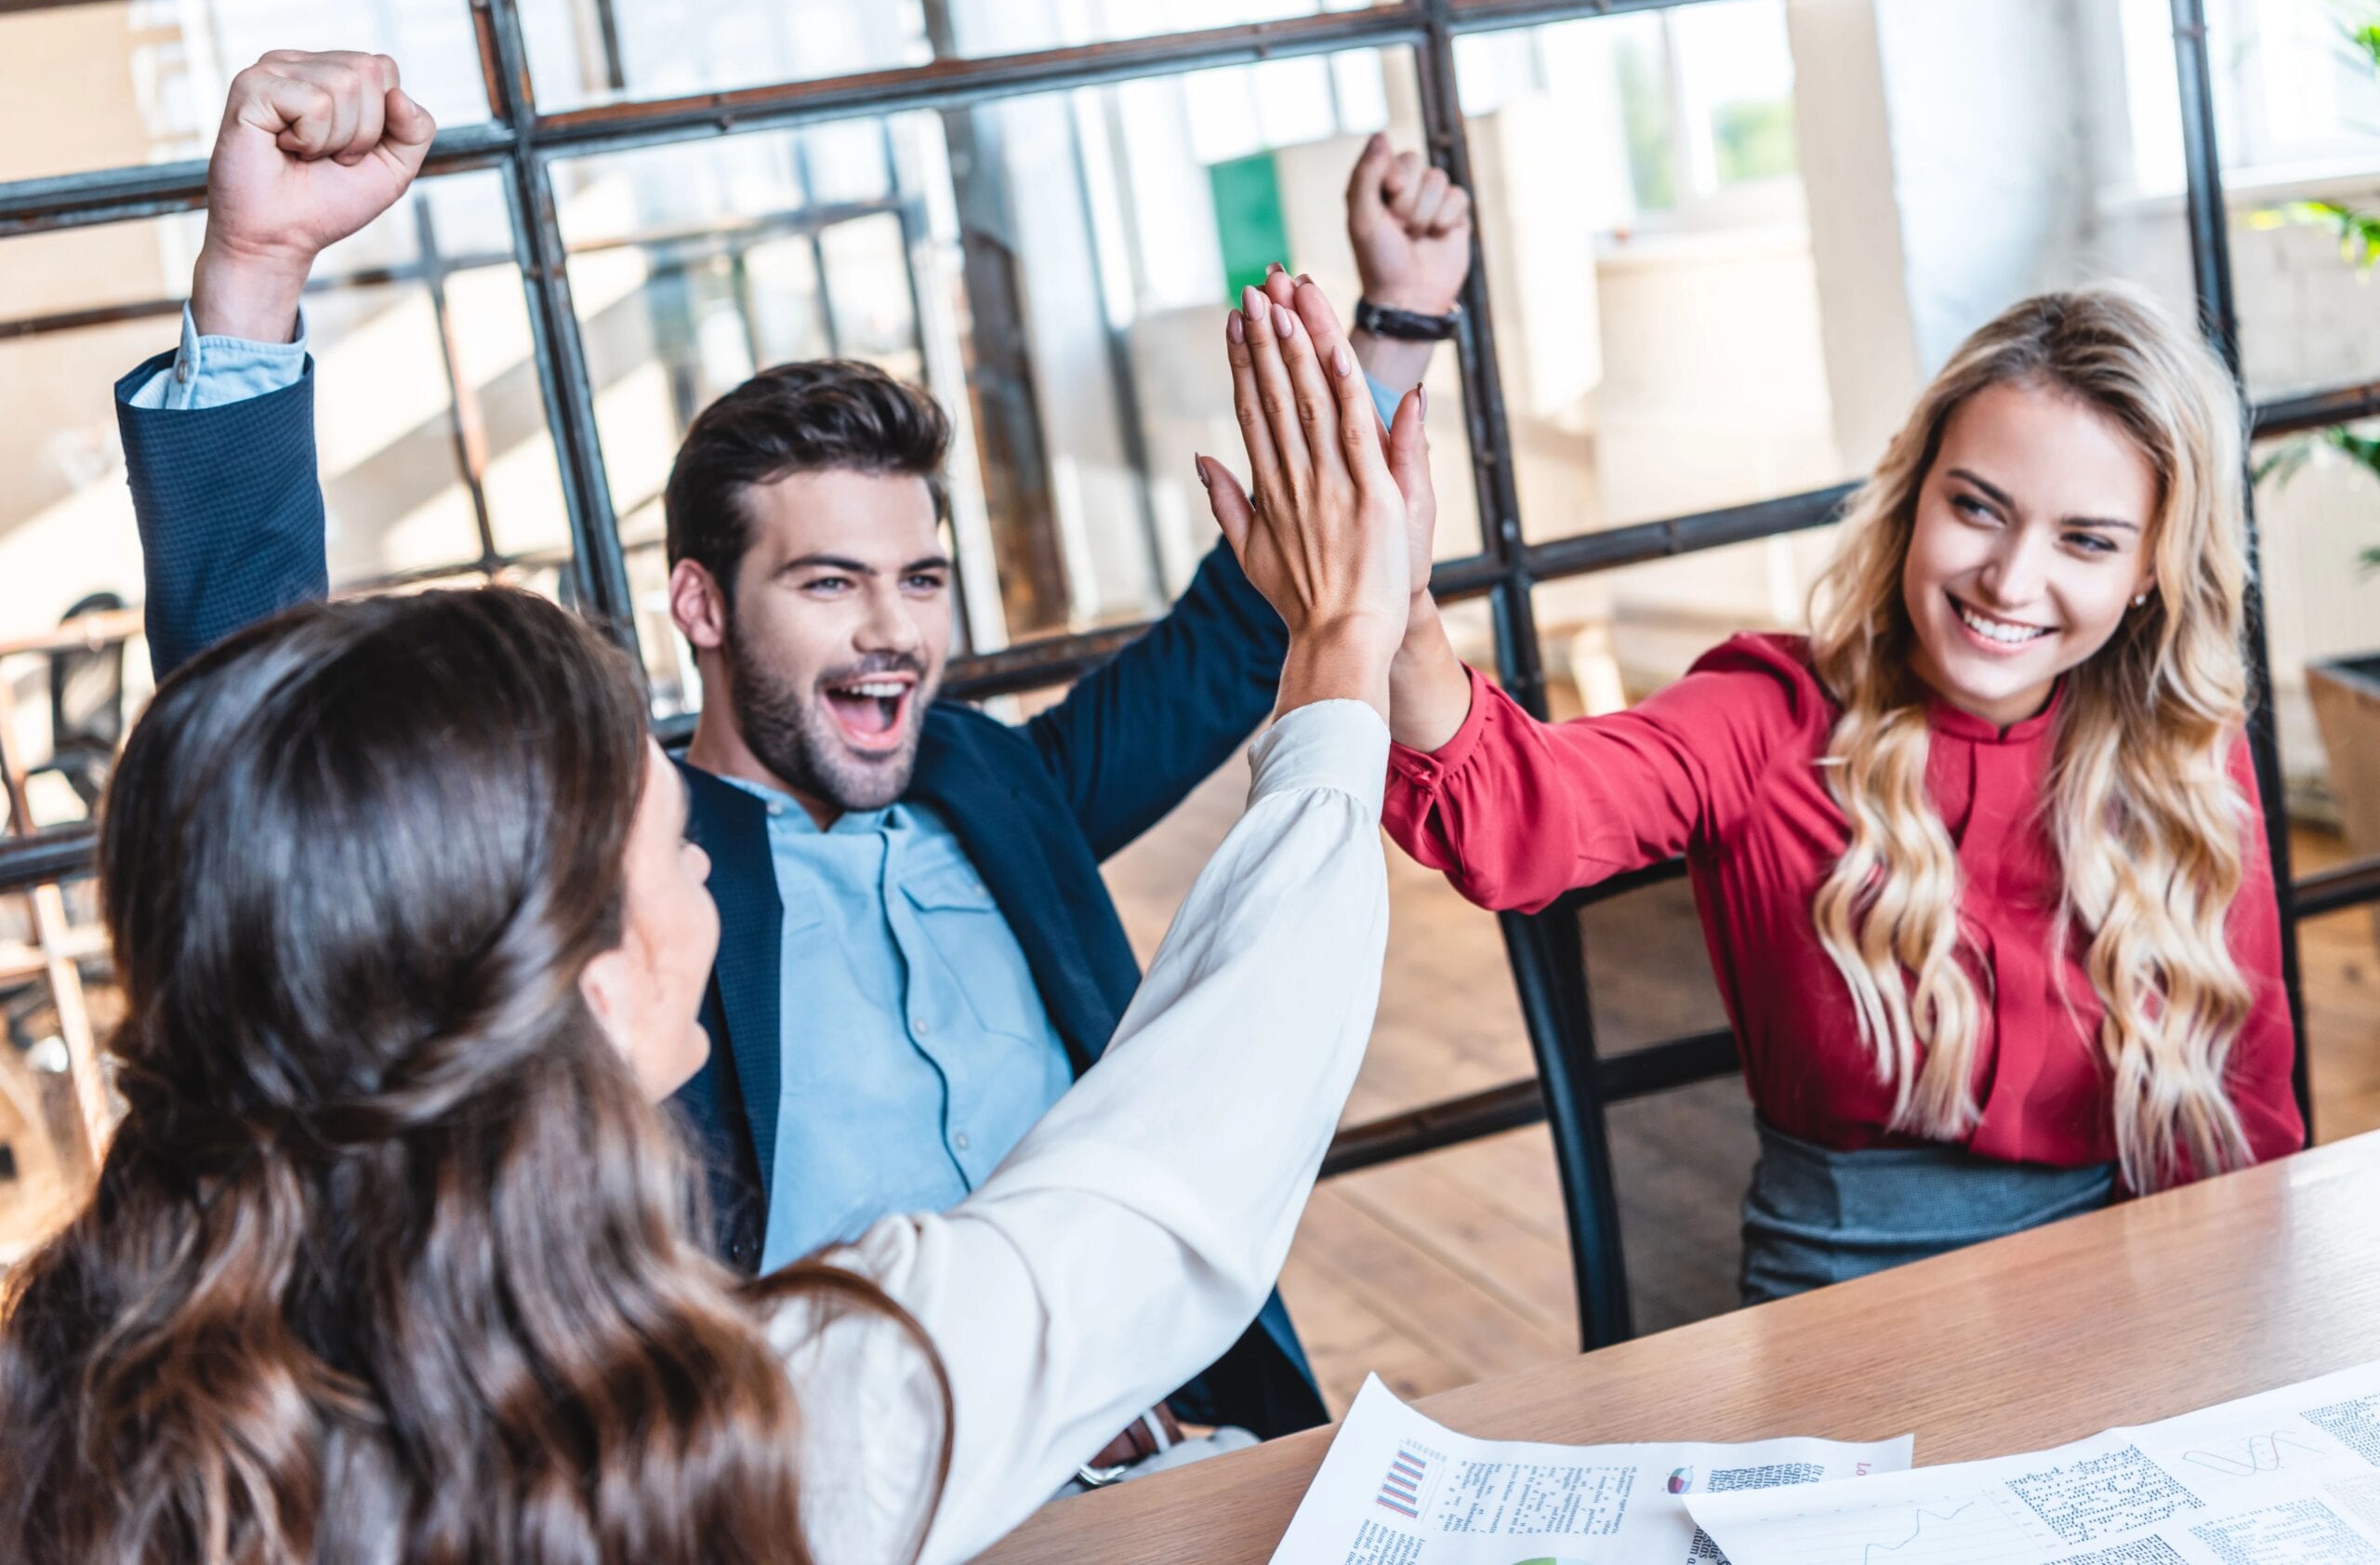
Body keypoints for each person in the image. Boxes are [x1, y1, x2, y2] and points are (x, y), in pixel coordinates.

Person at [0, 192, 1417, 1565]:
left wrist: (1392, 347)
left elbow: (1238, 633)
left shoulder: (998, 781)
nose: (891, 631)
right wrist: (249, 285)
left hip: (1185, 1452)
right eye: (826, 583)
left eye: (921, 580)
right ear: (703, 607)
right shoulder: (601, 889)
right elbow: (295, 816)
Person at [1233, 280, 2307, 1303]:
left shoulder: (2185, 753)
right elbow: (1523, 815)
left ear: (2152, 566)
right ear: (1913, 488)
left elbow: (2249, 1114)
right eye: (1977, 508)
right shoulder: (1768, 714)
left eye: (2085, 540)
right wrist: (1399, 614)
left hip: (2124, 1304)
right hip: (1846, 1327)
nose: (2012, 580)